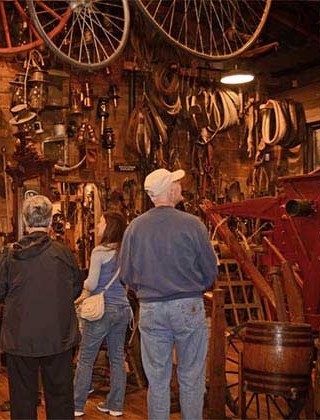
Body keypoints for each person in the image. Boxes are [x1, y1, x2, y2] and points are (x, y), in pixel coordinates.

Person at [119, 168, 218, 420]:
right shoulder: (192, 224)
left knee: (158, 379)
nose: (181, 187)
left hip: (151, 308)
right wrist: (197, 287)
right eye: (177, 183)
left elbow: (126, 274)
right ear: (171, 190)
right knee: (191, 376)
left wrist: (145, 291)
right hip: (187, 305)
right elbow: (210, 271)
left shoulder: (135, 228)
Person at [0, 195, 82, 420]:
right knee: (60, 398)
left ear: (24, 221)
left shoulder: (10, 255)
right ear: (50, 221)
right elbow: (76, 289)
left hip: (20, 336)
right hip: (57, 335)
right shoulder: (63, 253)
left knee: (22, 400)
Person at [73, 212, 131, 417]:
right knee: (116, 358)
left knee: (86, 358)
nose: (97, 225)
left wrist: (81, 285)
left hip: (102, 309)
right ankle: (115, 406)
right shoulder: (126, 251)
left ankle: (77, 405)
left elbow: (92, 283)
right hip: (123, 309)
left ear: (110, 227)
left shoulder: (99, 252)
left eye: (101, 222)